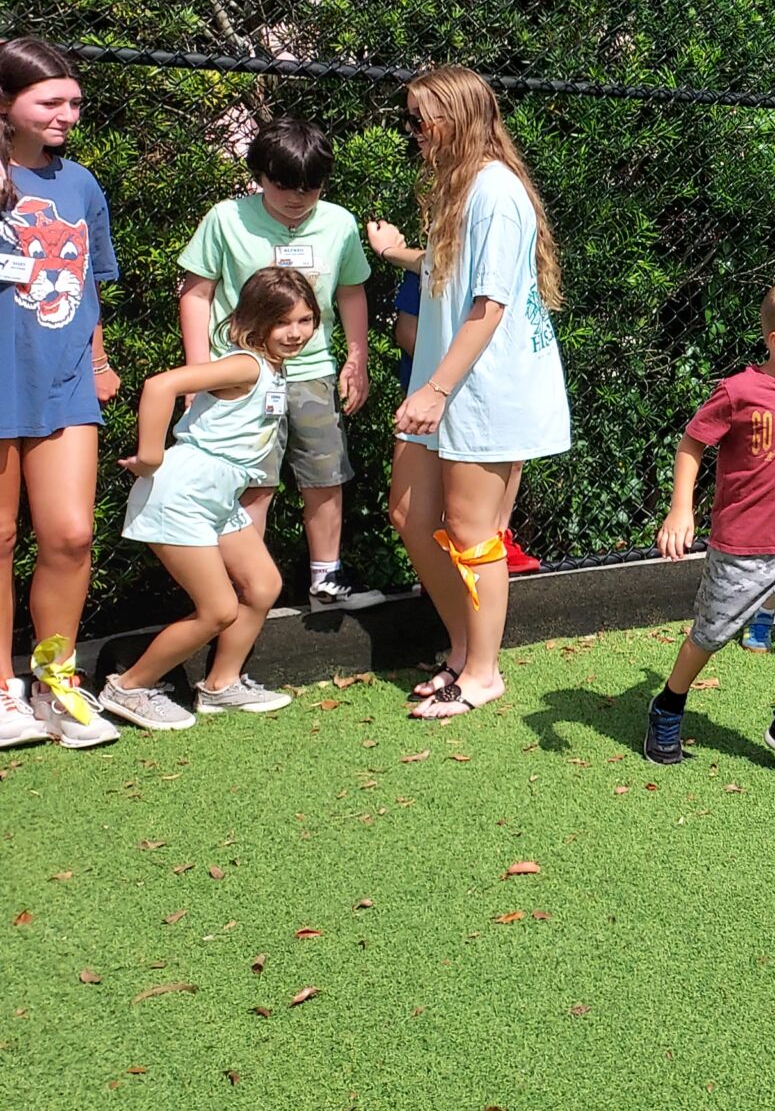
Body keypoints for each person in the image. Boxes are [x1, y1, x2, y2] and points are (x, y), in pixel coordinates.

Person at [369, 65, 572, 721]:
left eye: (421, 118)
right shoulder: (461, 188)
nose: (413, 130)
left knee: (470, 529)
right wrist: (398, 253)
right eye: (410, 118)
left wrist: (434, 389)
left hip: (482, 389)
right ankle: (463, 650)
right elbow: (448, 266)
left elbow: (489, 305)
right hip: (451, 384)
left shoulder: (494, 191)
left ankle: (483, 673)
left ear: (456, 118)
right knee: (410, 514)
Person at [649, 280, 775, 779]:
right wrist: (681, 510)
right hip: (745, 547)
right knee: (709, 637)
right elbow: (691, 444)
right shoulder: (738, 392)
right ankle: (668, 705)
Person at [97, 269, 320, 728]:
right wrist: (151, 456)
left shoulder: (273, 368)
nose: (295, 333)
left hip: (217, 495)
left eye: (305, 320)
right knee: (218, 609)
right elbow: (161, 385)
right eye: (282, 322)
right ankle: (129, 687)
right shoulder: (247, 365)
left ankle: (221, 684)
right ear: (257, 322)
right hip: (183, 492)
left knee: (262, 586)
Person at [175, 118, 372, 607]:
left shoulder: (339, 223)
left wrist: (357, 358)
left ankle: (326, 579)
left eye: (311, 187)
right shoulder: (226, 219)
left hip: (313, 373)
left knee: (325, 476)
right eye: (284, 185)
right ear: (260, 175)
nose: (297, 198)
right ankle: (244, 589)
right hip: (242, 376)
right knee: (251, 484)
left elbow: (351, 291)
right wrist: (197, 376)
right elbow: (196, 293)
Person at [0, 38, 123, 752]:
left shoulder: (79, 183)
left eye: (74, 102)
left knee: (71, 535)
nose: (67, 115)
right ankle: (2, 691)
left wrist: (99, 360)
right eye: (49, 101)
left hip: (66, 377)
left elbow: (88, 284)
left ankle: (55, 685)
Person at [386, 265, 542, 580]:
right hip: (438, 393)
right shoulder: (431, 264)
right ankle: (449, 569)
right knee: (438, 500)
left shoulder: (505, 264)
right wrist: (447, 374)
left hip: (488, 388)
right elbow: (406, 330)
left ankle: (497, 537)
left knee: (509, 462)